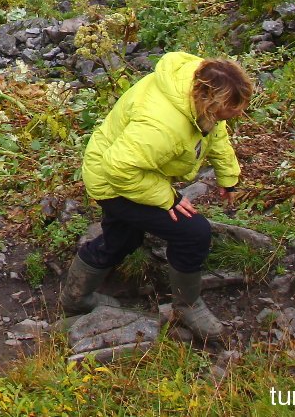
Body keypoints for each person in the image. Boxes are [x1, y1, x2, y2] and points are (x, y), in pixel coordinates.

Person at [61, 53, 253, 342]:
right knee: (193, 232)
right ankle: (187, 307)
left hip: (133, 169)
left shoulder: (199, 88)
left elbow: (216, 132)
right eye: (229, 109)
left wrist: (228, 176)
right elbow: (120, 168)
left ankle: (75, 299)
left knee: (124, 239)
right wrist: (169, 198)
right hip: (115, 180)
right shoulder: (162, 125)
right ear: (206, 101)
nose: (236, 114)